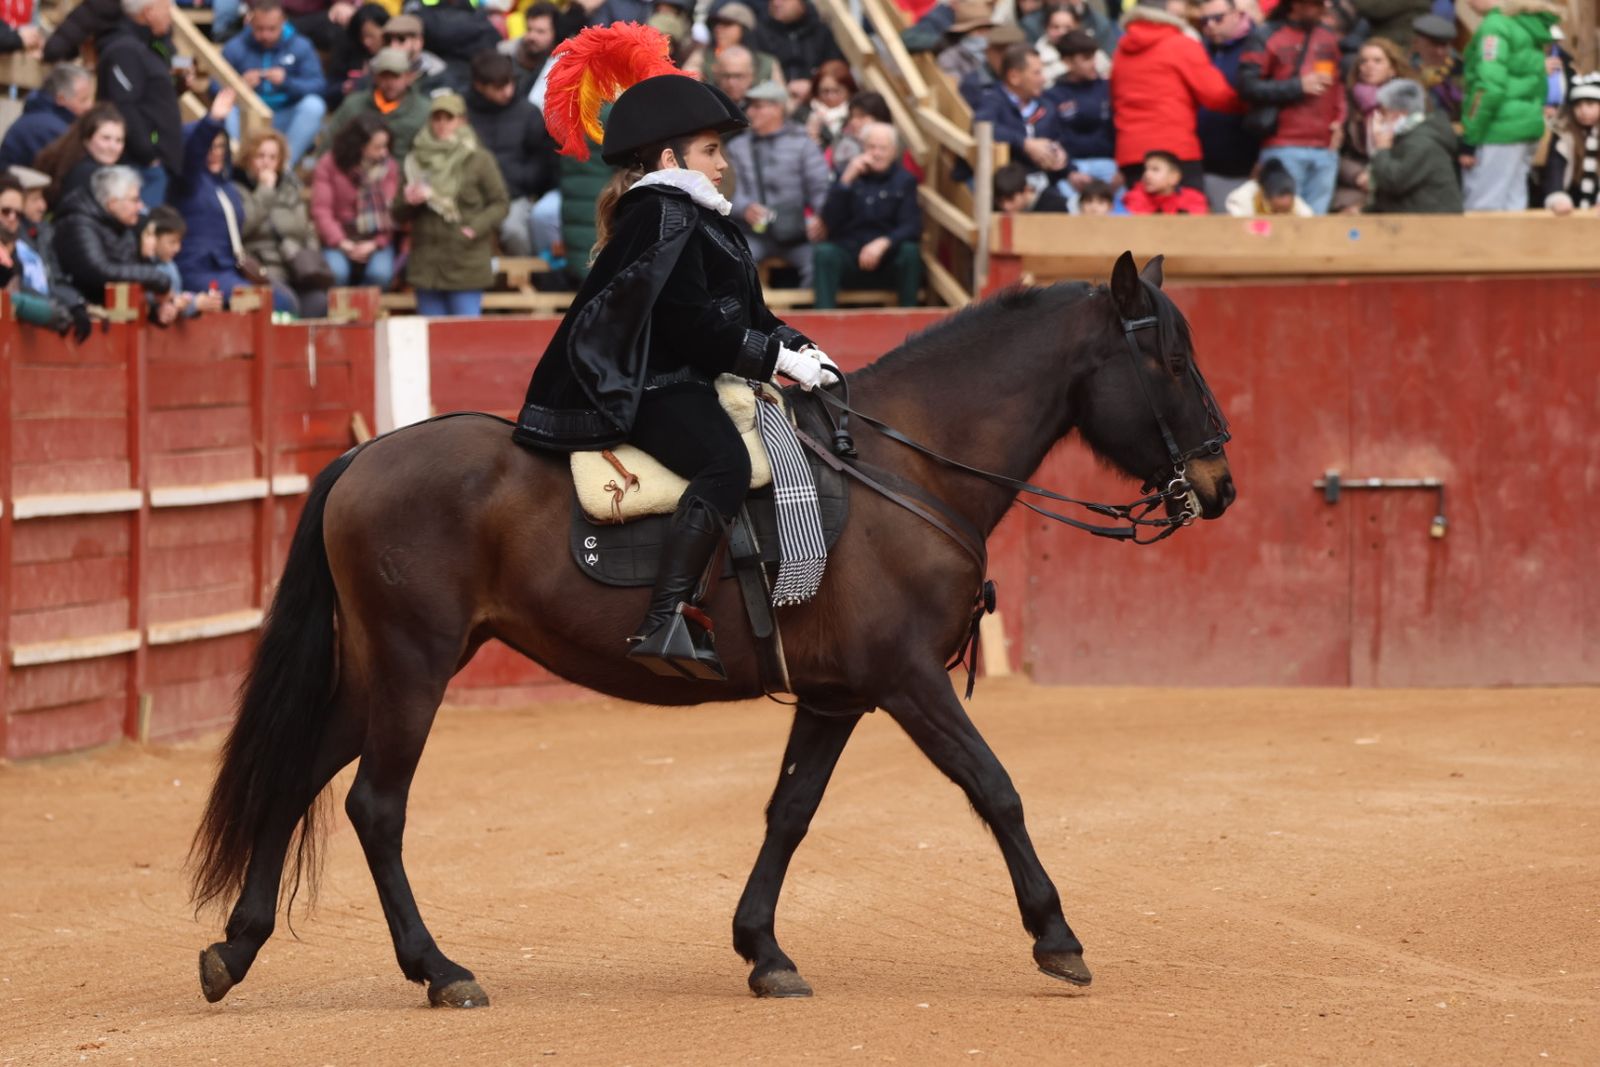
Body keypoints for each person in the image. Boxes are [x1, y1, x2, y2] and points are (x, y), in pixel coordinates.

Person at [517, 36, 838, 679]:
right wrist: (770, 356)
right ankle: (666, 617)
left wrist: (798, 347)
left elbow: (748, 315)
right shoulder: (664, 212)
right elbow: (692, 328)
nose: (723, 164)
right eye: (711, 150)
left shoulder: (699, 217)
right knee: (722, 463)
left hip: (686, 376)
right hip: (650, 386)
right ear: (671, 157)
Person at [392, 91, 509, 317]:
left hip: (465, 261)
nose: (442, 124)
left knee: (466, 336)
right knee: (429, 339)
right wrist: (409, 201)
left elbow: (500, 203)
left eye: (449, 118)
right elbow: (398, 213)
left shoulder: (479, 159)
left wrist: (473, 229)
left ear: (462, 120)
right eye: (437, 118)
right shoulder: (415, 160)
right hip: (427, 264)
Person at [1111, 0, 1242, 190]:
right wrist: (1249, 103)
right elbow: (1216, 95)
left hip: (1131, 152)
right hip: (1176, 151)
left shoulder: (1120, 51)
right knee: (1188, 215)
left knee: (1140, 217)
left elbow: (1115, 99)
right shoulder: (1181, 45)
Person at [1240, 0, 1347, 214]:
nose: (1322, 9)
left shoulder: (1328, 37)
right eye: (1314, 4)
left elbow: (1339, 85)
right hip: (1283, 144)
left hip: (1324, 145)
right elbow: (1246, 86)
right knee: (1281, 219)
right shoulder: (1266, 35)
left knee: (1316, 227)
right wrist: (1297, 86)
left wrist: (1340, 120)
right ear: (1295, 4)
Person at [723, 80, 831, 287]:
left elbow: (820, 187)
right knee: (735, 263)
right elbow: (727, 190)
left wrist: (821, 218)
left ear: (777, 109)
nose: (751, 113)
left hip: (796, 232)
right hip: (753, 232)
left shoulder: (802, 144)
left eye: (758, 106)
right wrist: (744, 208)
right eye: (750, 106)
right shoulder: (738, 147)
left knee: (819, 263)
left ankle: (806, 316)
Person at [1460, 0, 1563, 211]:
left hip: (1497, 129)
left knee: (1483, 207)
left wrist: (1470, 134)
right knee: (1513, 204)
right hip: (1526, 124)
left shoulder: (1495, 26)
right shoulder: (1524, 24)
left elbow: (1488, 87)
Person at [813, 122, 922, 309]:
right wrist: (846, 180)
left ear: (894, 152)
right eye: (871, 147)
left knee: (910, 252)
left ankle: (909, 319)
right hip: (849, 256)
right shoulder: (846, 175)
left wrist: (883, 243)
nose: (876, 153)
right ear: (862, 148)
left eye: (883, 148)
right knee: (824, 253)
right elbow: (828, 221)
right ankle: (824, 319)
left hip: (886, 259)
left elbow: (911, 226)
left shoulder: (905, 180)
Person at [171, 89, 262, 307]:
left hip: (229, 268)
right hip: (197, 269)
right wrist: (212, 122)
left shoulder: (228, 186)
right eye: (210, 147)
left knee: (285, 299)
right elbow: (192, 156)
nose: (216, 152)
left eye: (221, 146)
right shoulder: (187, 181)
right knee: (258, 300)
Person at [466, 49, 560, 259]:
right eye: (499, 87)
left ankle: (527, 279)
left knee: (514, 232)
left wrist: (522, 181)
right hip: (472, 197)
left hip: (515, 195)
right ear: (479, 85)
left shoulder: (527, 112)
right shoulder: (463, 113)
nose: (507, 91)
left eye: (510, 83)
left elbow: (543, 158)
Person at [234, 128, 329, 317]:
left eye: (272, 157)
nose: (266, 162)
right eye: (260, 156)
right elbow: (243, 225)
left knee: (320, 302)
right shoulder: (237, 190)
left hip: (295, 268)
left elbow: (307, 229)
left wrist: (309, 259)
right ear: (248, 158)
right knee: (286, 301)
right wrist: (265, 191)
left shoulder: (290, 190)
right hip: (262, 271)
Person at [96, 0, 183, 207]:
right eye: (167, 10)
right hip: (140, 167)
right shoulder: (124, 50)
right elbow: (124, 105)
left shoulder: (149, 46)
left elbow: (153, 97)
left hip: (153, 165)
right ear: (150, 12)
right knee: (145, 230)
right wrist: (149, 155)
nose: (170, 16)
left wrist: (178, 85)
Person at [222, 0, 328, 168]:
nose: (265, 35)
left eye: (272, 29)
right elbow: (214, 86)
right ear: (250, 23)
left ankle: (284, 169)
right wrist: (239, 86)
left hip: (284, 114)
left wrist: (287, 82)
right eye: (259, 29)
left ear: (283, 23)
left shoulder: (300, 45)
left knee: (314, 106)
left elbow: (318, 85)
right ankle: (237, 165)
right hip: (248, 116)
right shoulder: (235, 47)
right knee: (226, 110)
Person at [53, 164, 175, 306]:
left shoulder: (121, 224)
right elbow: (100, 271)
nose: (141, 206)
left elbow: (129, 271)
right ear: (112, 203)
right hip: (82, 312)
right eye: (134, 200)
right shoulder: (78, 224)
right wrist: (156, 277)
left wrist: (156, 307)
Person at [312, 112, 399, 288]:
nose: (385, 152)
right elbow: (322, 210)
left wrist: (375, 244)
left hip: (375, 239)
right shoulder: (329, 164)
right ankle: (341, 313)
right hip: (340, 236)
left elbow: (393, 212)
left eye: (386, 146)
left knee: (380, 274)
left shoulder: (389, 167)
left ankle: (366, 311)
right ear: (361, 146)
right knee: (337, 272)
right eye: (378, 147)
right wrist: (342, 243)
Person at [0, 174, 92, 339]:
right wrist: (56, 308)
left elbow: (53, 279)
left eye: (18, 213)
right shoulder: (21, 242)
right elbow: (16, 293)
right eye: (6, 211)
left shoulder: (41, 234)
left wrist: (75, 303)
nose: (12, 218)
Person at [1196, 0, 1264, 211]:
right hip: (1205, 163)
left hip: (1245, 162)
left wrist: (1263, 156)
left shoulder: (1257, 46)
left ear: (1237, 14)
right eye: (1204, 21)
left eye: (1218, 18)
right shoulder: (1200, 50)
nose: (1211, 26)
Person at [1333, 37, 1413, 211]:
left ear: (1392, 69)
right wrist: (1357, 174)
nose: (1369, 66)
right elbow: (1335, 153)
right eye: (1364, 61)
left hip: (1400, 178)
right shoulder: (1348, 103)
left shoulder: (1411, 102)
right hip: (1361, 181)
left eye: (1377, 61)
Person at [1367, 76, 1463, 211]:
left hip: (1432, 225)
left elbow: (1394, 181)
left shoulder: (1421, 142)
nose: (1380, 118)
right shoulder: (1408, 137)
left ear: (1399, 113)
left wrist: (1382, 150)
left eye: (1383, 111)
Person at [977, 44, 1070, 181]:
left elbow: (1058, 138)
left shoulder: (1046, 105)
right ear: (1014, 77)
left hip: (1043, 180)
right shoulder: (992, 99)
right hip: (1003, 184)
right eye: (1036, 73)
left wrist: (1059, 154)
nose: (1043, 79)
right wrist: (1025, 144)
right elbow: (983, 126)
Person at [1047, 30, 1119, 204]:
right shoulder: (1052, 95)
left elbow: (1122, 129)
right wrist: (1069, 171)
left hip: (1109, 165)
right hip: (1072, 167)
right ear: (1067, 62)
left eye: (1093, 57)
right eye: (1086, 58)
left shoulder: (1109, 89)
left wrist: (1122, 169)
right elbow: (1052, 138)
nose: (1093, 63)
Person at [326, 46, 432, 159]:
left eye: (395, 76)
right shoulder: (353, 105)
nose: (390, 83)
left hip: (402, 172)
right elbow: (331, 142)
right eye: (384, 76)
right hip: (355, 171)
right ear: (375, 77)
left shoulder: (424, 110)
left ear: (408, 77)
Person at [0, 65, 95, 172]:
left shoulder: (44, 118)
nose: (90, 106)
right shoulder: (49, 129)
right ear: (61, 99)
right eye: (83, 100)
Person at [34, 103, 127, 209]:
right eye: (106, 138)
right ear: (87, 140)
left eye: (119, 140)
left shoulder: (71, 162)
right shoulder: (88, 174)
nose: (113, 147)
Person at [140, 205, 225, 317]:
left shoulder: (170, 266)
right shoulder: (141, 266)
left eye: (179, 242)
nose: (177, 248)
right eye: (172, 242)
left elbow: (177, 298)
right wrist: (193, 303)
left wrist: (197, 302)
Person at [753, 0, 843, 100]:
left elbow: (835, 67)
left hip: (816, 96)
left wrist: (813, 84)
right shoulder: (759, 31)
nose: (776, 3)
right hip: (771, 98)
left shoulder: (820, 31)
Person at [1541, 74, 1600, 212]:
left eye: (1590, 104)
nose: (1583, 111)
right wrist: (1557, 198)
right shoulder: (1563, 136)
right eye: (1578, 105)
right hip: (1570, 204)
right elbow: (1554, 170)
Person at [701, 3, 783, 87]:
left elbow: (782, 97)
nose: (718, 29)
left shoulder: (766, 63)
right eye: (715, 24)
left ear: (744, 30)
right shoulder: (703, 57)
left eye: (727, 23)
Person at [326, 2, 389, 108]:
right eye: (362, 37)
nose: (366, 42)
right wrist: (343, 87)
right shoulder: (349, 48)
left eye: (371, 36)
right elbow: (329, 88)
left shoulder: (394, 54)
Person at [1411, 12, 1465, 122]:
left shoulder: (1459, 68)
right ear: (1416, 44)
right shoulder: (1405, 70)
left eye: (1444, 46)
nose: (1440, 52)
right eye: (1433, 45)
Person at [1124, 148, 1212, 212]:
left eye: (1155, 169)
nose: (1147, 175)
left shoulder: (1194, 199)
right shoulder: (1135, 197)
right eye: (1146, 169)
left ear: (1174, 178)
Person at [1225, 155, 1315, 213]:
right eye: (1276, 210)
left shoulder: (1297, 203)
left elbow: (1309, 220)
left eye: (1285, 211)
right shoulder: (1242, 198)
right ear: (1266, 196)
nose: (1280, 216)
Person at [993, 159, 1071, 211]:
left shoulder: (1055, 207)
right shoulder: (996, 209)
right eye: (1000, 201)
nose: (1005, 206)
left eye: (1010, 199)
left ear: (1026, 190)